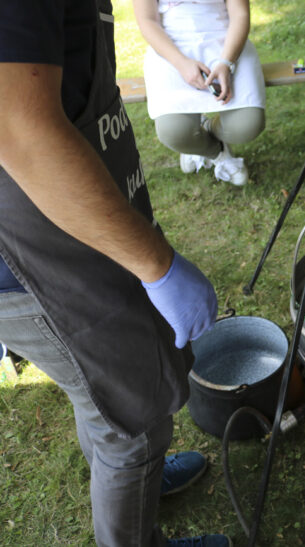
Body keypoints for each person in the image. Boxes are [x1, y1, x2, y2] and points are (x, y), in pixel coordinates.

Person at [0, 1, 230, 545]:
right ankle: (135, 487)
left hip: (80, 228)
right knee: (132, 426)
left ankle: (138, 474)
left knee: (105, 396)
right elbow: (18, 128)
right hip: (37, 258)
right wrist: (159, 267)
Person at [134, 0, 266, 187]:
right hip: (171, 49)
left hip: (227, 43)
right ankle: (216, 152)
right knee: (174, 133)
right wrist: (181, 63)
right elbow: (147, 21)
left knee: (247, 125)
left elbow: (240, 14)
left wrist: (226, 63)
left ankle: (208, 128)